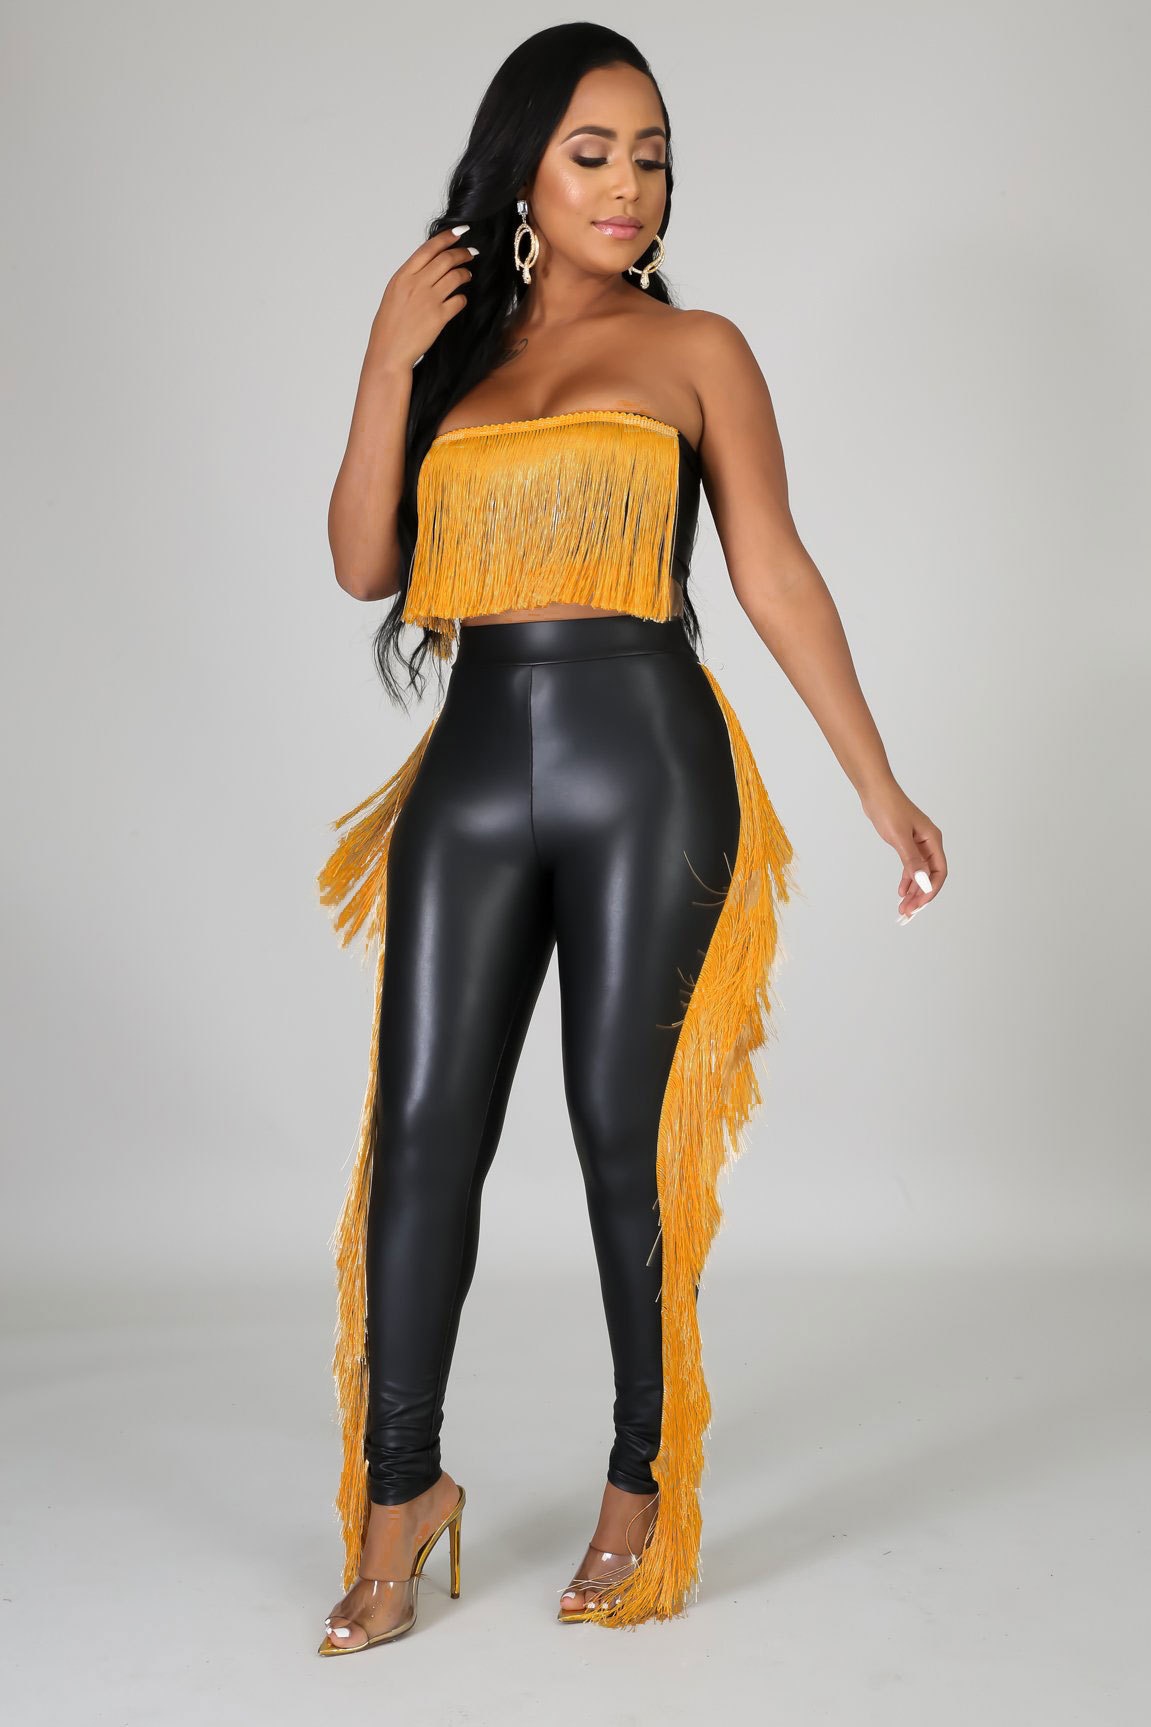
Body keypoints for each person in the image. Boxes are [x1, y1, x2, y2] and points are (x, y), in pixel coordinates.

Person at [315, 24, 947, 1654]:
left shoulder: (697, 351)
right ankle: (400, 1494)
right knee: (421, 1134)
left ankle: (642, 1481)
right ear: (522, 170)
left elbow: (773, 571)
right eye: (593, 152)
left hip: (646, 761)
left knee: (625, 1132)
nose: (629, 184)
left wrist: (876, 783)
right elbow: (365, 563)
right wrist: (385, 359)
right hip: (470, 773)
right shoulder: (449, 360)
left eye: (652, 155)